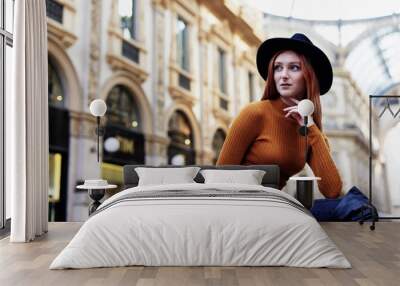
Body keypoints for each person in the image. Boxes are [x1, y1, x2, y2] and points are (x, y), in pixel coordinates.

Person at [216, 33, 342, 199]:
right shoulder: (255, 113)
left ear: (309, 77)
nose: (283, 75)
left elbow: (332, 191)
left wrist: (311, 128)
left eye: (294, 67)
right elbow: (219, 178)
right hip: (242, 206)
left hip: (276, 207)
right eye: (278, 67)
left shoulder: (312, 132)